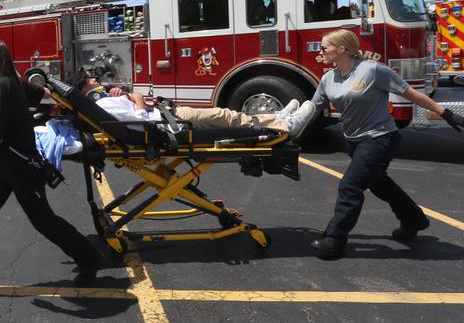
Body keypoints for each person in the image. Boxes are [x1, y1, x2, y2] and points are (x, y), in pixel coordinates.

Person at [0, 41, 102, 297]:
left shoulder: (3, 85)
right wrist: (52, 97)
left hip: (21, 167)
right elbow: (40, 93)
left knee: (43, 221)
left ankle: (89, 259)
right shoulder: (9, 80)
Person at [308, 29, 464, 260]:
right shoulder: (329, 78)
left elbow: (410, 94)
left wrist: (445, 112)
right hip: (354, 140)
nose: (320, 51)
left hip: (379, 137)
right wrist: (284, 127)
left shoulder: (373, 70)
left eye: (324, 47)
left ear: (342, 49)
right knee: (379, 183)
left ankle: (334, 240)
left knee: (350, 187)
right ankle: (414, 219)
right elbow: (310, 107)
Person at [74, 77, 316, 138]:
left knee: (226, 115)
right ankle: (286, 125)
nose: (99, 83)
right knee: (224, 115)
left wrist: (126, 94)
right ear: (87, 92)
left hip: (166, 113)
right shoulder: (103, 104)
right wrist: (135, 99)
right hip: (167, 120)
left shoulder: (106, 100)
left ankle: (274, 117)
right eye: (93, 83)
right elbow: (141, 122)